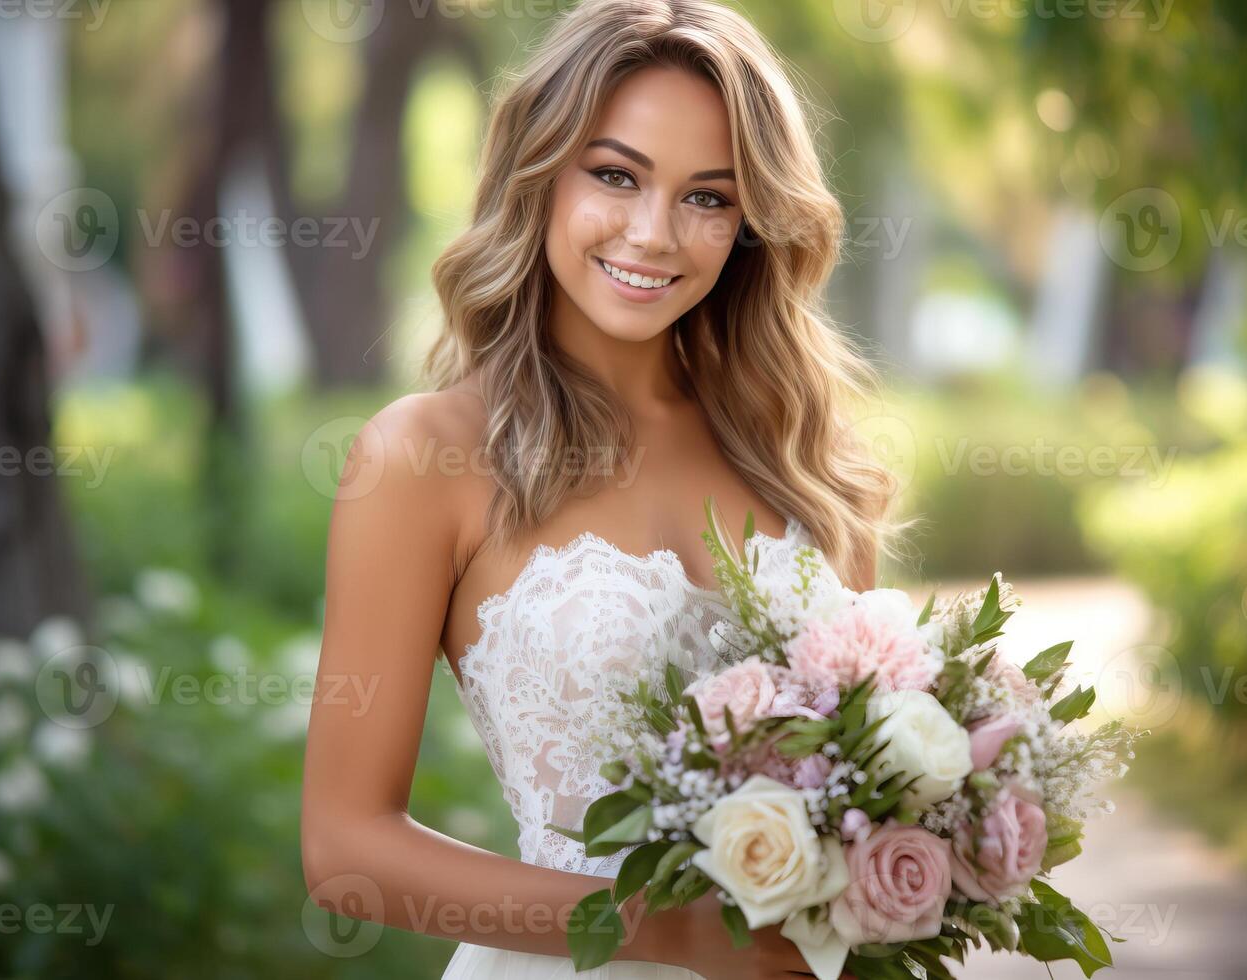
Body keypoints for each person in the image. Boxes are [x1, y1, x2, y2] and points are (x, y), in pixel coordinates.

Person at [301, 1, 906, 976]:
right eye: (616, 175)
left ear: (752, 220)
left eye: (709, 196)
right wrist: (680, 931)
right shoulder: (426, 455)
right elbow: (345, 846)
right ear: (540, 173)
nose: (654, 233)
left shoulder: (806, 464)